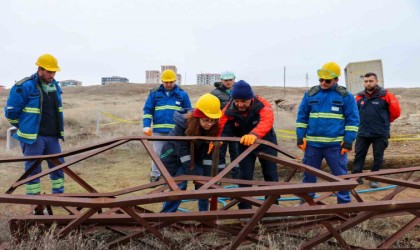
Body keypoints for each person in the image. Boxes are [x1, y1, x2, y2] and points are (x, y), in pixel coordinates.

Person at [296, 62, 359, 204]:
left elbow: (353, 120)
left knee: (340, 176)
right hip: (312, 145)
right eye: (321, 80)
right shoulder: (311, 94)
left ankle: (344, 204)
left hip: (335, 146)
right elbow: (302, 117)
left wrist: (348, 140)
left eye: (327, 81)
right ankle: (306, 202)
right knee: (309, 175)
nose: (323, 83)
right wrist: (300, 137)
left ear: (336, 80)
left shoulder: (345, 96)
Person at [4, 53, 65, 197]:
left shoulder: (54, 86)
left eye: (54, 72)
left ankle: (59, 197)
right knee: (33, 170)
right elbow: (11, 113)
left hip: (52, 137)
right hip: (33, 138)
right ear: (40, 70)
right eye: (49, 71)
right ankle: (34, 201)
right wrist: (24, 127)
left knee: (58, 168)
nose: (52, 75)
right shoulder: (24, 86)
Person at [218, 80, 279, 209]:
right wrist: (218, 140)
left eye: (243, 101)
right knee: (244, 176)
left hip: (265, 142)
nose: (240, 104)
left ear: (250, 98)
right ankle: (245, 208)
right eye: (237, 101)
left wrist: (254, 134)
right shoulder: (228, 109)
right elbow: (222, 126)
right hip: (244, 144)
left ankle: (273, 206)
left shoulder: (262, 104)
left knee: (270, 174)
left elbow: (267, 121)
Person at [160, 93, 222, 212]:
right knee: (179, 185)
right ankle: (166, 216)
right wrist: (192, 171)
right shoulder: (182, 126)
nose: (209, 124)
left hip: (194, 157)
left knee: (204, 185)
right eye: (206, 120)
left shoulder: (211, 129)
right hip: (173, 157)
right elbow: (182, 151)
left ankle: (204, 217)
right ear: (197, 118)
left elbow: (207, 153)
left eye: (213, 121)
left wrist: (207, 176)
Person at [351, 72, 401, 188]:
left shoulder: (386, 95)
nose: (368, 83)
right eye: (366, 81)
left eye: (371, 81)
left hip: (380, 133)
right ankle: (357, 176)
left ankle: (374, 178)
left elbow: (396, 113)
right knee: (359, 154)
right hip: (363, 132)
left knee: (378, 156)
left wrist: (385, 122)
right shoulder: (359, 97)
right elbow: (353, 113)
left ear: (376, 82)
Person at [143, 69, 192, 182]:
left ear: (175, 81)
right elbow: (148, 110)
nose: (168, 84)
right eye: (166, 82)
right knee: (157, 153)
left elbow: (188, 112)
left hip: (176, 131)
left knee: (174, 153)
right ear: (162, 81)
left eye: (171, 82)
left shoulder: (182, 94)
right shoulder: (154, 93)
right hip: (159, 130)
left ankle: (172, 176)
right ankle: (155, 175)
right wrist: (146, 126)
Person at [210, 71, 240, 179]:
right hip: (221, 128)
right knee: (219, 152)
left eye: (230, 80)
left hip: (236, 128)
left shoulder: (239, 91)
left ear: (234, 79)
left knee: (236, 152)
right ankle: (218, 177)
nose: (228, 82)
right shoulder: (214, 93)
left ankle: (237, 177)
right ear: (221, 80)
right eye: (226, 80)